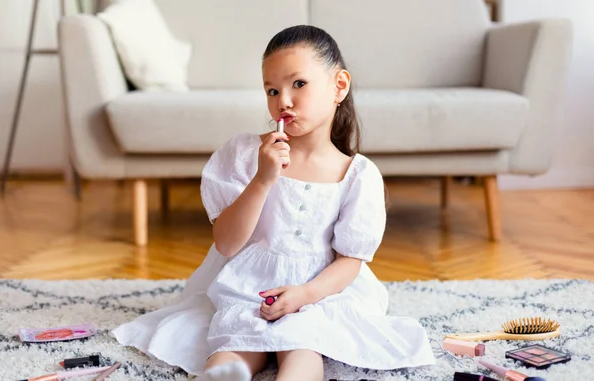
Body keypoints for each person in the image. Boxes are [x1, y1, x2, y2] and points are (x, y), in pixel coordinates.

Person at [112, 25, 435, 381]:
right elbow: (227, 242)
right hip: (250, 283)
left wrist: (306, 294)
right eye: (272, 90)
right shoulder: (244, 154)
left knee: (302, 345)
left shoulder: (357, 175)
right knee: (235, 342)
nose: (283, 100)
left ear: (338, 86)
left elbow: (350, 262)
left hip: (321, 289)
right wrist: (263, 179)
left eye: (299, 84)